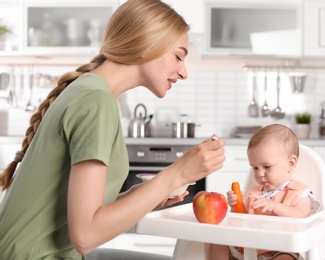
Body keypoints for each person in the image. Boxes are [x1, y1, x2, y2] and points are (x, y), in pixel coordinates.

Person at [0, 0, 225, 259]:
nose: (184, 72)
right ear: (146, 44)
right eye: (178, 56)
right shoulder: (96, 101)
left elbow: (81, 217)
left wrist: (142, 197)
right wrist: (175, 174)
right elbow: (86, 236)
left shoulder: (92, 92)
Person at [209, 124, 320, 260]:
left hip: (279, 249)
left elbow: (301, 216)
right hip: (247, 248)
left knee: (287, 258)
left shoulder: (298, 192)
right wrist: (234, 206)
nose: (260, 173)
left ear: (290, 164)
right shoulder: (252, 192)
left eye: (267, 167)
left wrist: (274, 206)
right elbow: (239, 221)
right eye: (255, 168)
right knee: (217, 240)